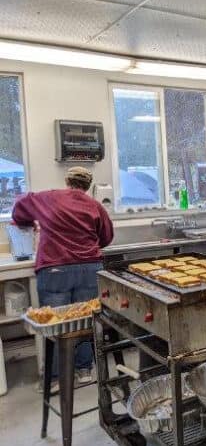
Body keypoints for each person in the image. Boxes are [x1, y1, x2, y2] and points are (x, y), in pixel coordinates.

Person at [12, 166, 113, 390]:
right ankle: (85, 370)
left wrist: (28, 223)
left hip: (55, 269)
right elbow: (106, 237)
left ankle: (56, 378)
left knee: (55, 323)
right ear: (87, 186)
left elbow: (19, 207)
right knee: (86, 319)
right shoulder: (95, 206)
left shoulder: (48, 197)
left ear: (67, 181)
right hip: (89, 268)